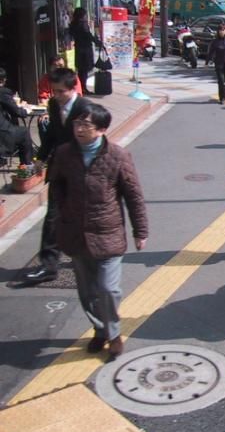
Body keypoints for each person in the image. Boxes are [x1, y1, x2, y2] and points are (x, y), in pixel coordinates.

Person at [49, 102, 148, 357]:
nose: (79, 129)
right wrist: (63, 214)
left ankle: (114, 333)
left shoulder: (118, 156)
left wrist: (141, 231)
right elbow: (57, 187)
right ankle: (99, 330)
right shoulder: (63, 154)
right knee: (87, 292)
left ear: (102, 129)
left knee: (108, 289)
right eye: (77, 123)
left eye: (86, 124)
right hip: (75, 233)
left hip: (108, 233)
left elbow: (133, 196)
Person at [21, 68, 92, 285]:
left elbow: (94, 142)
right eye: (54, 91)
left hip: (81, 172)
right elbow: (52, 134)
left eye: (61, 92)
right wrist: (40, 159)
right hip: (59, 170)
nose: (57, 96)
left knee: (84, 217)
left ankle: (92, 255)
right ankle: (49, 265)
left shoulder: (85, 108)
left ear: (72, 89)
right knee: (52, 217)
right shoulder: (53, 105)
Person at [0, 68, 34, 166]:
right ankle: (27, 165)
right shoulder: (3, 92)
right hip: (3, 133)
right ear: (3, 80)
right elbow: (17, 112)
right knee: (24, 132)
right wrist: (25, 110)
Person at [68, 8, 101, 96]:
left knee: (80, 71)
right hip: (85, 49)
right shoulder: (83, 24)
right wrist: (98, 42)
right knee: (85, 71)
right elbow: (88, 35)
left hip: (78, 49)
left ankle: (80, 88)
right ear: (82, 15)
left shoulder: (73, 24)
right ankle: (83, 88)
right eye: (85, 14)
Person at [205, 23, 225, 104]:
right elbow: (210, 52)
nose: (221, 32)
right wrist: (207, 62)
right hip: (219, 64)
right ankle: (221, 97)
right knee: (221, 81)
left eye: (223, 30)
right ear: (218, 31)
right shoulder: (215, 42)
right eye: (220, 30)